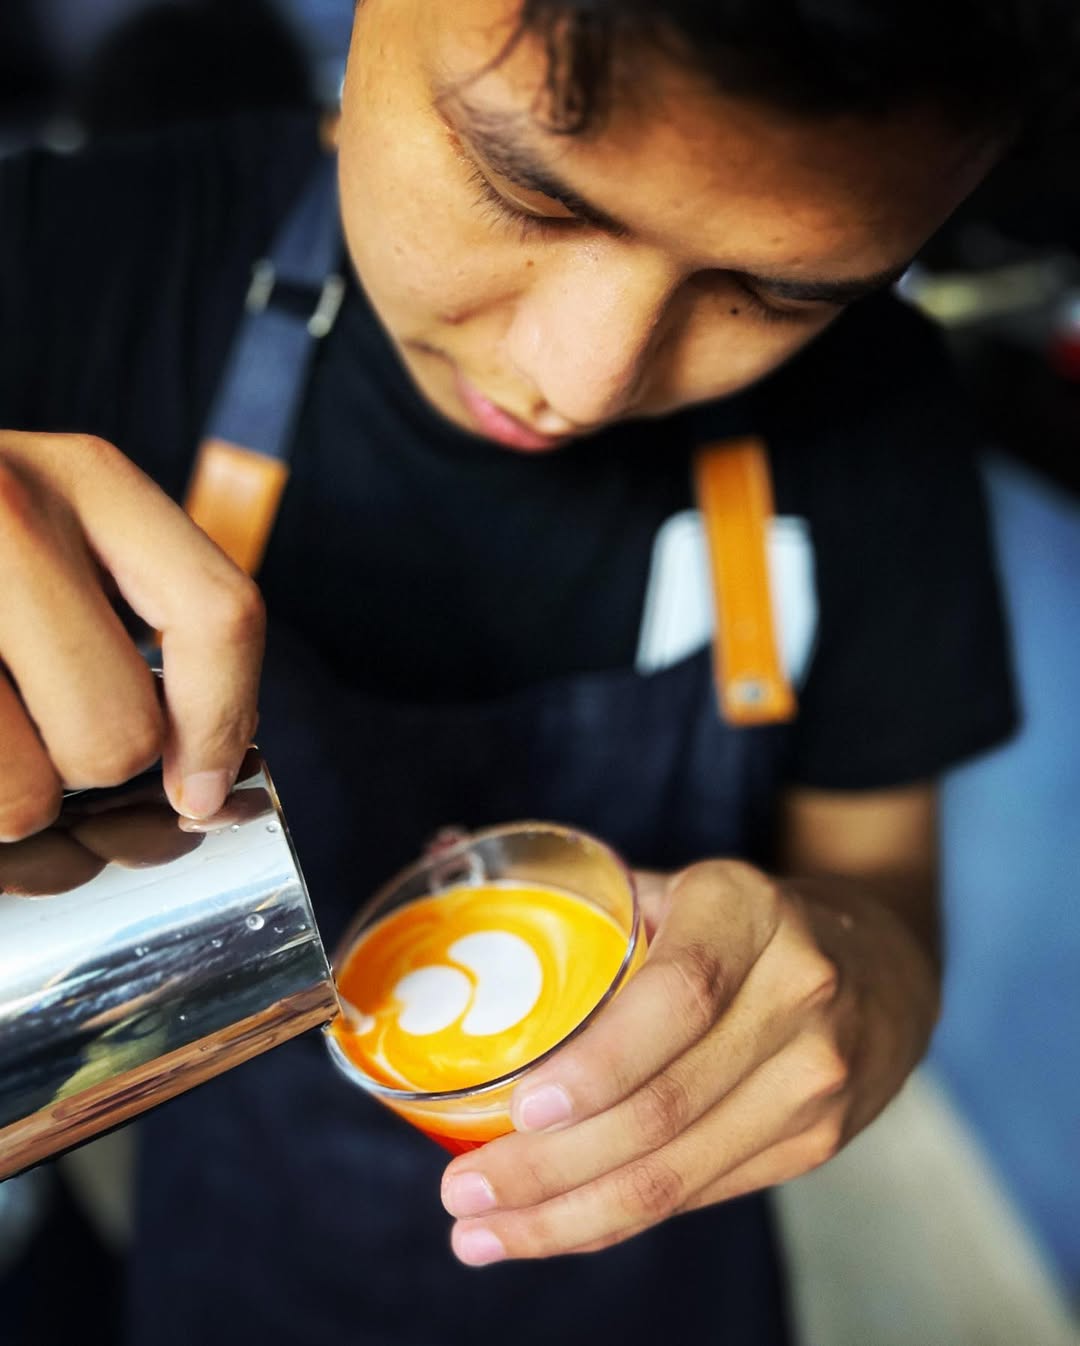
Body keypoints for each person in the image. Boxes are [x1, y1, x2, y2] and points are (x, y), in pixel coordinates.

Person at [0, 0, 1070, 1341]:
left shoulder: (877, 419)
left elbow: (881, 894)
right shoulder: (65, 265)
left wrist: (857, 981)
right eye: (524, 187)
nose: (582, 376)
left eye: (781, 292)